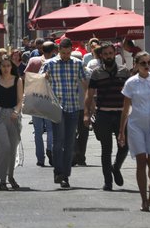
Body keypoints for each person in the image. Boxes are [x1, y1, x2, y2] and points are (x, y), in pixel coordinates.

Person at [118, 52, 150, 211]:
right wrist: (121, 131)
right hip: (136, 125)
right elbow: (126, 109)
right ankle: (143, 199)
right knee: (141, 161)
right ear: (136, 64)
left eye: (149, 62)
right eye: (143, 63)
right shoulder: (131, 83)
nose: (147, 66)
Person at [40, 37, 87, 189]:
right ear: (58, 50)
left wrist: (89, 101)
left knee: (69, 143)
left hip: (73, 107)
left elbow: (85, 82)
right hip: (57, 107)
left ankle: (65, 175)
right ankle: (58, 171)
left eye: (68, 53)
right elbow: (39, 80)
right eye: (64, 53)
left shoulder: (77, 64)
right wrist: (44, 78)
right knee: (58, 142)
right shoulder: (50, 64)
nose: (66, 56)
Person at [85, 41, 130, 191]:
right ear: (101, 56)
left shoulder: (124, 72)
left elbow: (130, 93)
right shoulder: (96, 73)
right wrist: (87, 113)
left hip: (120, 114)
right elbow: (89, 94)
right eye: (105, 54)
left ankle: (116, 167)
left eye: (111, 53)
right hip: (103, 113)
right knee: (106, 149)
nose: (108, 56)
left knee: (124, 146)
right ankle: (108, 181)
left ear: (114, 54)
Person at [0, 54, 24, 190]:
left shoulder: (17, 80)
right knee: (5, 147)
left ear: (12, 66)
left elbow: (20, 99)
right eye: (3, 66)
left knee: (12, 148)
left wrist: (16, 111)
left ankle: (11, 176)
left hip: (13, 116)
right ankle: (2, 179)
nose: (6, 68)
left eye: (8, 66)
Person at [25, 41, 56, 166]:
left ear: (41, 50)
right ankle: (50, 150)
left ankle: (40, 158)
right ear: (53, 50)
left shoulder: (33, 61)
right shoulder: (56, 62)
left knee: (38, 131)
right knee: (51, 129)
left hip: (35, 98)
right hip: (51, 99)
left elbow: (26, 77)